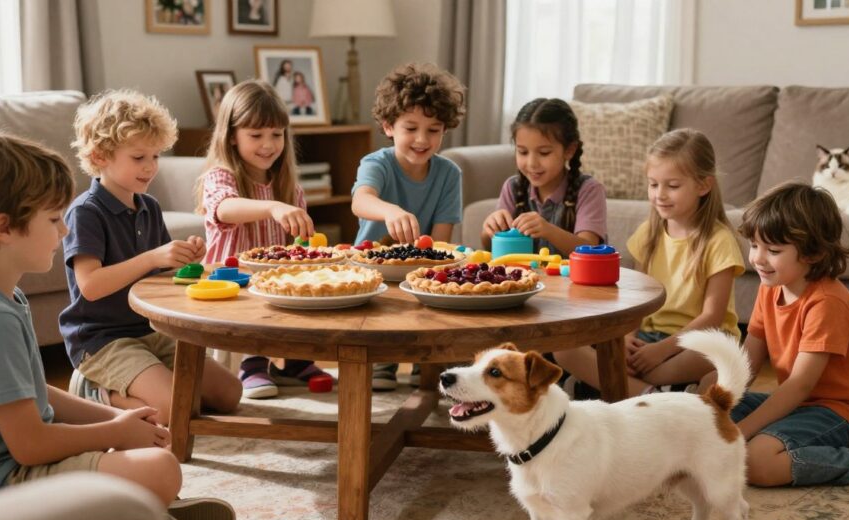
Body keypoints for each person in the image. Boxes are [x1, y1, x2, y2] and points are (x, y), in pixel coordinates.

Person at [0, 129, 235, 520]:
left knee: (148, 457)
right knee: (160, 470)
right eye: (53, 220)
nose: (64, 232)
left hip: (7, 469)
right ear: (3, 228)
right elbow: (31, 445)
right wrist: (112, 432)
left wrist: (113, 420)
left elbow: (35, 393)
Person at [721, 182, 849, 491]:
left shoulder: (827, 303)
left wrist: (741, 431)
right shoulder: (771, 288)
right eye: (754, 245)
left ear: (814, 253)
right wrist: (715, 406)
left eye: (774, 250)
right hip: (803, 404)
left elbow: (799, 385)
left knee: (758, 462)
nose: (758, 259)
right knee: (709, 416)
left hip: (845, 409)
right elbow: (748, 361)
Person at [62, 89, 242, 423]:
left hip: (151, 330)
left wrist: (188, 260)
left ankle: (147, 384)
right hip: (103, 340)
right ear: (100, 156)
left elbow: (164, 278)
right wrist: (152, 258)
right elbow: (90, 286)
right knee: (177, 408)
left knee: (230, 394)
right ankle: (94, 391)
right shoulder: (85, 212)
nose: (150, 167)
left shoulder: (149, 207)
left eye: (156, 156)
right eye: (138, 157)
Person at [555, 129, 744, 396]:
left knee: (720, 356)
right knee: (565, 351)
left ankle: (617, 386)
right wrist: (626, 339)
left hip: (699, 339)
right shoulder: (648, 234)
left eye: (673, 186)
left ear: (703, 186)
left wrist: (661, 351)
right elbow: (635, 300)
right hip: (648, 338)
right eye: (653, 184)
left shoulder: (719, 240)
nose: (660, 195)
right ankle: (654, 394)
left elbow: (712, 318)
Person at [194, 79, 326, 398]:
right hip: (230, 284)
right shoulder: (220, 176)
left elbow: (298, 245)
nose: (268, 144)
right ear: (232, 136)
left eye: (276, 134)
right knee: (254, 297)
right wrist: (272, 207)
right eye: (256, 135)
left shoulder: (289, 187)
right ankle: (251, 362)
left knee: (305, 289)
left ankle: (294, 359)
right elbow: (224, 208)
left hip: (273, 283)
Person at [351, 62, 466, 390]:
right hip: (375, 271)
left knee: (437, 293)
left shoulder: (449, 174)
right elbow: (360, 200)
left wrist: (430, 269)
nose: (421, 139)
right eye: (411, 128)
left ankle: (424, 361)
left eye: (433, 130)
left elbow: (441, 245)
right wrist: (390, 211)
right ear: (389, 126)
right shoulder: (376, 164)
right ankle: (381, 360)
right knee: (382, 308)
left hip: (422, 271)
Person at [481, 98, 606, 256]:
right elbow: (491, 247)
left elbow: (591, 250)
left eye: (544, 153)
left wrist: (549, 231)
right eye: (523, 152)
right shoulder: (513, 187)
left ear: (569, 150)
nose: (532, 163)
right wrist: (489, 230)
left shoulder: (588, 189)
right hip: (525, 273)